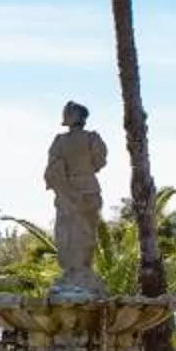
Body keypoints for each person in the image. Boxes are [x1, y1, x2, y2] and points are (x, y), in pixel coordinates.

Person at [43, 102, 108, 297]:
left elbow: (52, 167)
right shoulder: (92, 139)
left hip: (67, 191)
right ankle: (79, 270)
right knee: (82, 231)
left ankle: (77, 270)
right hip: (86, 188)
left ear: (73, 116)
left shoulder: (60, 141)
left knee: (70, 231)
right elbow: (100, 161)